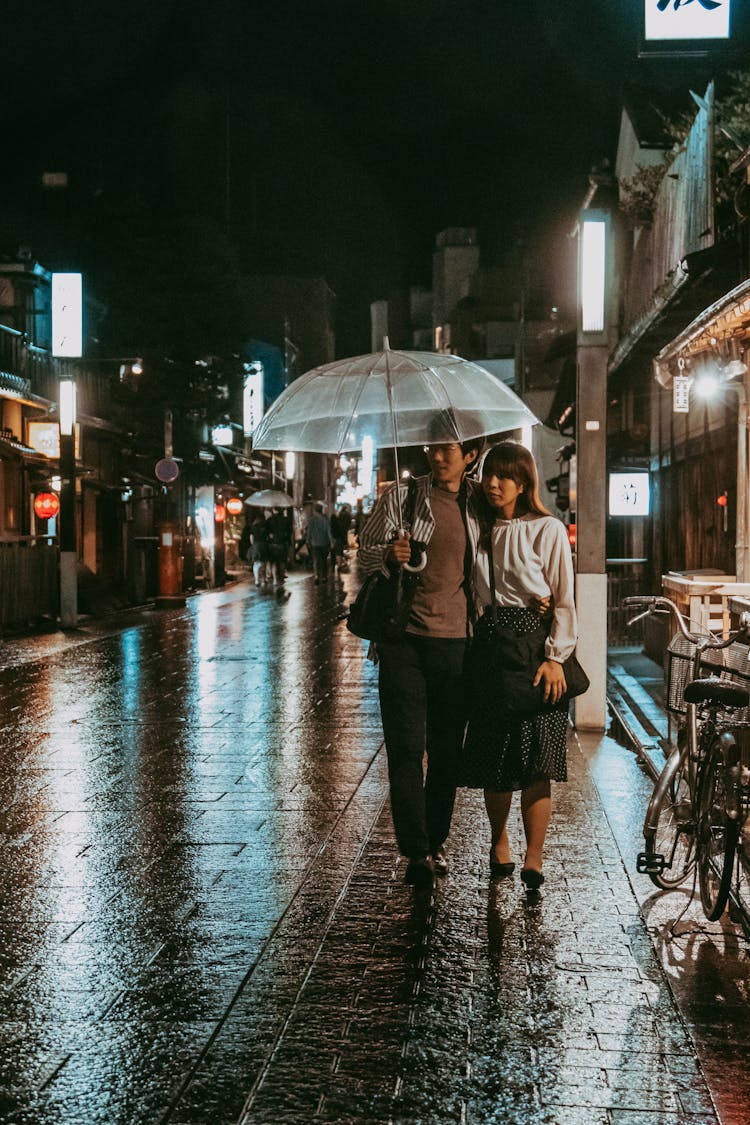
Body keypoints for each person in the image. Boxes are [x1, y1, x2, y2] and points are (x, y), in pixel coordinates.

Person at [358, 438, 483, 890]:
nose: (438, 455)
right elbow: (365, 550)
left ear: (471, 455)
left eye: (450, 448)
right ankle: (415, 849)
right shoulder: (402, 495)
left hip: (459, 644)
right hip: (403, 641)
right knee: (406, 747)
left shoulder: (479, 501)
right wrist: (388, 555)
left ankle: (437, 838)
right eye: (433, 447)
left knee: (447, 751)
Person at [459, 441, 577, 892]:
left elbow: (563, 596)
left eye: (504, 476)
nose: (493, 483)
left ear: (524, 482)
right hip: (490, 649)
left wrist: (555, 657)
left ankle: (535, 853)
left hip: (534, 647)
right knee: (496, 757)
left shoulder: (546, 528)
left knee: (537, 759)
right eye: (489, 474)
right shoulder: (479, 528)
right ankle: (499, 839)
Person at [306, 504, 333, 584]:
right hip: (325, 542)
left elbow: (309, 532)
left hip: (315, 543)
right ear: (321, 510)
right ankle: (324, 576)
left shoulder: (311, 520)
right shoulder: (326, 519)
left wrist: (308, 540)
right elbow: (329, 531)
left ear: (315, 510)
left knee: (316, 560)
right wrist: (331, 542)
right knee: (324, 560)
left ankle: (317, 575)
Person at [267, 507, 291, 595]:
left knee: (273, 561)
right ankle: (281, 577)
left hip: (272, 544)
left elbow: (267, 532)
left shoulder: (270, 520)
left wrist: (270, 536)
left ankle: (275, 579)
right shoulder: (285, 520)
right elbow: (289, 532)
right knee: (281, 561)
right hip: (282, 543)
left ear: (274, 510)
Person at [249, 511, 271, 588]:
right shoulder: (266, 525)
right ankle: (264, 579)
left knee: (256, 563)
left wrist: (253, 545)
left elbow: (251, 538)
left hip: (256, 545)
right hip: (264, 545)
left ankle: (257, 580)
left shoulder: (253, 526)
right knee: (263, 563)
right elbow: (269, 536)